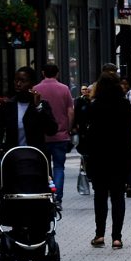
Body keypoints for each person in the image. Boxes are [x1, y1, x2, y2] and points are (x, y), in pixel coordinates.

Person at [82, 73, 131, 249]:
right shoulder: (124, 105)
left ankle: (99, 234)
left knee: (100, 196)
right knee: (118, 196)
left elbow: (87, 130)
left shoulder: (94, 106)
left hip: (99, 156)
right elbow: (129, 128)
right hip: (120, 155)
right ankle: (117, 237)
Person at [0, 67, 58, 155]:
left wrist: (38, 107)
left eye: (23, 81)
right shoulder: (7, 105)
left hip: (35, 157)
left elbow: (51, 130)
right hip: (13, 156)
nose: (18, 84)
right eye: (16, 80)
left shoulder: (41, 105)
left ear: (32, 83)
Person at [34, 64, 75, 205]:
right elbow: (70, 111)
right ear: (57, 74)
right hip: (60, 135)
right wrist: (68, 129)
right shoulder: (64, 89)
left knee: (44, 168)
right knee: (59, 167)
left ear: (43, 73)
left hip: (42, 137)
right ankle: (57, 196)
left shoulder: (35, 89)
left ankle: (47, 195)